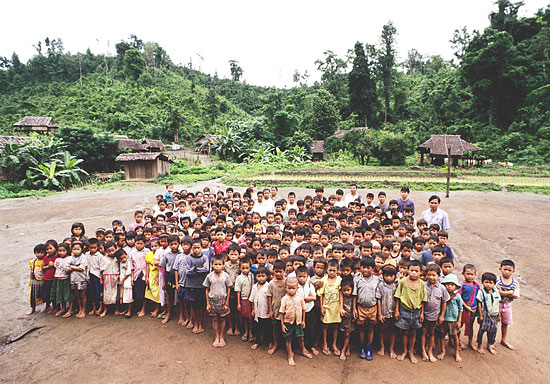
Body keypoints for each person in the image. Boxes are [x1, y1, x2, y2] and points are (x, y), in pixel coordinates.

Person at [394, 259, 426, 364]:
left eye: (416, 271)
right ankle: (404, 351)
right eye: (411, 270)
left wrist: (422, 313)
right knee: (405, 332)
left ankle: (411, 352)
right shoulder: (403, 282)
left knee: (413, 333)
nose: (413, 273)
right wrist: (397, 310)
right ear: (407, 270)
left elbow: (423, 300)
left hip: (416, 311)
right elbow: (398, 297)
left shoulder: (422, 284)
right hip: (404, 311)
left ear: (421, 272)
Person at [279, 276, 312, 366]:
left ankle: (302, 351)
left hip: (298, 321)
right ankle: (290, 355)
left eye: (293, 288)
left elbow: (303, 309)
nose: (291, 290)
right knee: (288, 339)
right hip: (288, 322)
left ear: (297, 288)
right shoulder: (284, 299)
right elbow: (281, 312)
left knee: (301, 338)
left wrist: (303, 321)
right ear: (285, 288)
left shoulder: (300, 297)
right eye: (289, 288)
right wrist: (282, 324)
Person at [203, 254, 233, 347]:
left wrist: (227, 303)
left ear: (223, 265)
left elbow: (229, 288)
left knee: (223, 318)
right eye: (216, 264)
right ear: (212, 265)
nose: (218, 266)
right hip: (212, 301)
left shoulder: (226, 276)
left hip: (223, 301)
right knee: (215, 319)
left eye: (220, 264)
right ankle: (216, 336)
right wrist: (207, 303)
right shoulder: (209, 276)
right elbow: (207, 289)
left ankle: (221, 336)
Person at [421, 264, 449, 363]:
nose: (431, 277)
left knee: (432, 333)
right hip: (424, 314)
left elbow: (444, 302)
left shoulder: (442, 288)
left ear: (438, 276)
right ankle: (423, 351)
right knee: (423, 332)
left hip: (435, 316)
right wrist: (421, 314)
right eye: (429, 275)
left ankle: (429, 352)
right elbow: (421, 301)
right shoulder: (423, 285)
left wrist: (442, 315)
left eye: (434, 275)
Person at [353, 256, 378, 361]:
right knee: (362, 328)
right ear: (360, 268)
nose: (366, 270)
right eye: (363, 267)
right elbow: (355, 294)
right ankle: (362, 347)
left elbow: (378, 296)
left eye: (368, 268)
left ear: (373, 268)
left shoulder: (377, 280)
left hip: (373, 307)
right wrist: (354, 308)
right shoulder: (357, 279)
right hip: (361, 307)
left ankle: (369, 348)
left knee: (371, 328)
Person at [184, 238, 209, 334]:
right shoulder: (188, 258)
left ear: (201, 248)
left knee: (201, 306)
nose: (196, 250)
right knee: (193, 305)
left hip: (201, 285)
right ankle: (195, 323)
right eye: (194, 248)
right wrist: (199, 269)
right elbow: (187, 272)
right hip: (191, 285)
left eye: (198, 247)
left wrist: (193, 269)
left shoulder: (205, 258)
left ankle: (200, 324)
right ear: (191, 248)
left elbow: (206, 269)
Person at [317, 259, 342, 356]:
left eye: (334, 270)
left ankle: (334, 344)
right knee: (325, 326)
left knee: (335, 326)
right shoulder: (323, 280)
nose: (332, 272)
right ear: (326, 269)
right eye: (330, 270)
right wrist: (321, 307)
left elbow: (341, 294)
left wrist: (341, 308)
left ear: (337, 270)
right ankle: (325, 344)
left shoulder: (339, 280)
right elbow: (320, 294)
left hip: (336, 307)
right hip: (326, 307)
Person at [496, 259, 519, 350]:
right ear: (500, 269)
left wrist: (502, 292)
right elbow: (496, 293)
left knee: (505, 323)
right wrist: (510, 292)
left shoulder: (515, 283)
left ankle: (503, 339)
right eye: (505, 269)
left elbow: (516, 295)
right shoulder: (497, 280)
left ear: (513, 271)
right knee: (493, 323)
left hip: (507, 305)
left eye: (509, 270)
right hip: (496, 304)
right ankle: (491, 341)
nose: (507, 272)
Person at [376, 264, 398, 358]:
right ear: (383, 276)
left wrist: (397, 310)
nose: (389, 278)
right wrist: (379, 314)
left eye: (391, 276)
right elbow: (378, 299)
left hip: (393, 313)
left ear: (395, 276)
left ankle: (391, 349)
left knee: (392, 331)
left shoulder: (396, 285)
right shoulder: (381, 285)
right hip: (384, 313)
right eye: (386, 276)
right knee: (382, 331)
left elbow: (398, 298)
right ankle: (382, 347)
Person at [439, 273, 463, 362]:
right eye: (447, 284)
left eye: (452, 285)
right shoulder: (442, 295)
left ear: (456, 286)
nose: (449, 286)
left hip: (453, 320)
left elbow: (461, 309)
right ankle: (443, 351)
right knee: (442, 335)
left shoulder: (457, 296)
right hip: (443, 319)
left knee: (454, 337)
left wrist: (459, 321)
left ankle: (456, 352)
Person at [476, 272, 501, 355]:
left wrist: (499, 315)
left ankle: (490, 344)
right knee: (482, 331)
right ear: (483, 282)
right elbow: (479, 304)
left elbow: (498, 304)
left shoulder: (496, 292)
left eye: (491, 283)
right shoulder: (481, 292)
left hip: (494, 314)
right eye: (486, 282)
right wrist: (480, 315)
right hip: (485, 314)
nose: (488, 285)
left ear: (494, 283)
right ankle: (479, 345)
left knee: (492, 331)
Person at [267, 259, 287, 355]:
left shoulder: (287, 282)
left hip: (286, 311)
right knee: (275, 328)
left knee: (286, 328)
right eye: (276, 271)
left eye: (280, 271)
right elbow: (269, 297)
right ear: (273, 271)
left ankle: (287, 345)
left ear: (284, 271)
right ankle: (275, 344)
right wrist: (270, 310)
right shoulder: (271, 283)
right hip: (275, 309)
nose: (278, 274)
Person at [249, 266, 271, 350]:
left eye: (263, 276)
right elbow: (252, 299)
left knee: (268, 327)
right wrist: (253, 309)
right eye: (258, 276)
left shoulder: (268, 286)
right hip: (257, 311)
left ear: (267, 276)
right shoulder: (254, 286)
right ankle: (257, 341)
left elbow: (270, 299)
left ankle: (270, 341)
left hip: (266, 310)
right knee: (257, 326)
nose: (261, 278)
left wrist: (270, 310)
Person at [458, 264, 480, 350]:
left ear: (475, 275)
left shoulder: (476, 285)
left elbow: (478, 297)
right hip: (462, 309)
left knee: (470, 326)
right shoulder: (461, 285)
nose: (470, 276)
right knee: (459, 325)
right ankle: (457, 341)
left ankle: (470, 342)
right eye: (468, 274)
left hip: (472, 310)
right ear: (463, 273)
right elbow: (459, 298)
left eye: (472, 274)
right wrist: (466, 307)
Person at [65, 241, 88, 319]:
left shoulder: (83, 257)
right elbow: (66, 268)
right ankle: (80, 308)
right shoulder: (70, 258)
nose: (76, 251)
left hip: (81, 279)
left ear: (81, 249)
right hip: (73, 279)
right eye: (74, 249)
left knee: (83, 295)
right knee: (77, 295)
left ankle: (84, 310)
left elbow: (81, 268)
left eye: (78, 249)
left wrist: (72, 267)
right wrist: (74, 267)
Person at [50, 243, 73, 317]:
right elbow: (55, 267)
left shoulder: (70, 258)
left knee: (69, 295)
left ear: (67, 251)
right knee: (60, 295)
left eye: (64, 251)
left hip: (66, 279)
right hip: (58, 279)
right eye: (60, 251)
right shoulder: (57, 259)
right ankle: (63, 308)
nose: (61, 252)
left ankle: (70, 309)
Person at [235, 257, 254, 341]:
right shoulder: (239, 278)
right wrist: (238, 303)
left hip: (252, 300)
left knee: (251, 318)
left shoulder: (252, 276)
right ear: (240, 268)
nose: (245, 270)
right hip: (243, 299)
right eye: (243, 268)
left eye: (247, 268)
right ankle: (246, 331)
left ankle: (251, 332)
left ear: (250, 267)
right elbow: (238, 291)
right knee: (245, 317)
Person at [99, 243, 120, 317]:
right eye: (109, 251)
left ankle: (117, 309)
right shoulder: (104, 259)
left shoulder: (117, 258)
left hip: (116, 277)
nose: (111, 252)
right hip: (107, 278)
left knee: (116, 294)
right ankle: (105, 309)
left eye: (113, 250)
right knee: (106, 294)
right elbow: (101, 270)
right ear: (106, 251)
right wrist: (101, 279)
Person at [339, 277, 355, 360]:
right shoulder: (341, 295)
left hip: (351, 318)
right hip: (343, 318)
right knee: (343, 333)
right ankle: (347, 346)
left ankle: (343, 350)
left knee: (348, 334)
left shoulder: (353, 296)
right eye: (344, 290)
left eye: (348, 290)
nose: (346, 292)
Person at [28, 244, 46, 315]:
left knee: (44, 294)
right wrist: (31, 280)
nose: (40, 254)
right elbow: (32, 271)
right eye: (38, 252)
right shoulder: (33, 262)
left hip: (44, 281)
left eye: (42, 252)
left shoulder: (45, 261)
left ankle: (47, 306)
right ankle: (33, 308)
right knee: (33, 295)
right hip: (35, 281)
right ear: (35, 253)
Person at [42, 240, 58, 314]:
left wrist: (54, 265)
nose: (48, 250)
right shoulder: (46, 258)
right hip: (47, 278)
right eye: (47, 249)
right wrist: (48, 266)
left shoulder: (58, 257)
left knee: (54, 293)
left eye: (50, 248)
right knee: (47, 293)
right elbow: (43, 267)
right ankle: (48, 306)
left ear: (55, 248)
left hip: (55, 278)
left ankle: (55, 307)